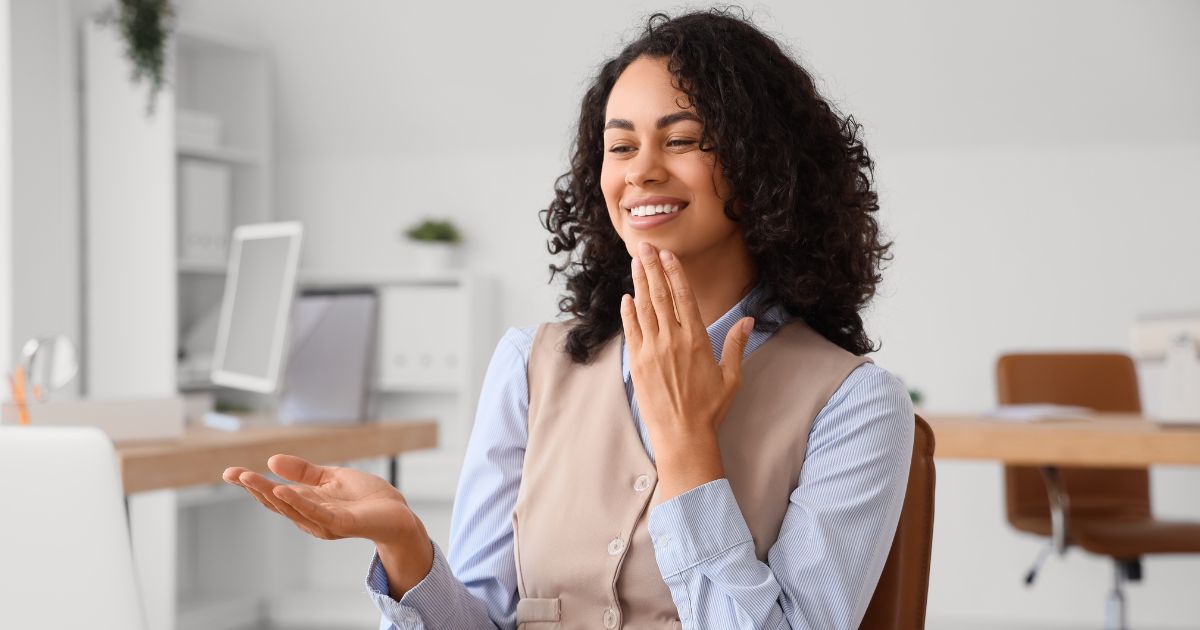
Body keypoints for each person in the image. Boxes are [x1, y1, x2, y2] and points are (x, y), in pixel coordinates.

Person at [224, 9, 914, 629]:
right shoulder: (531, 365)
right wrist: (406, 547)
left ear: (764, 167)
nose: (641, 172)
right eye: (620, 147)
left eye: (682, 140)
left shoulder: (854, 403)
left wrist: (688, 454)